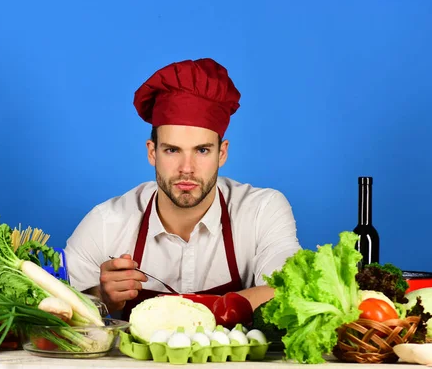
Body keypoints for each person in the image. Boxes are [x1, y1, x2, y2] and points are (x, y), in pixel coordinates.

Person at [64, 58, 301, 318]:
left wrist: (183, 315)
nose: (186, 168)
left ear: (222, 153)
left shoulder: (261, 211)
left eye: (202, 150)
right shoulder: (106, 223)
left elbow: (287, 290)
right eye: (172, 150)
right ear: (152, 152)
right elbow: (56, 310)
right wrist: (103, 297)